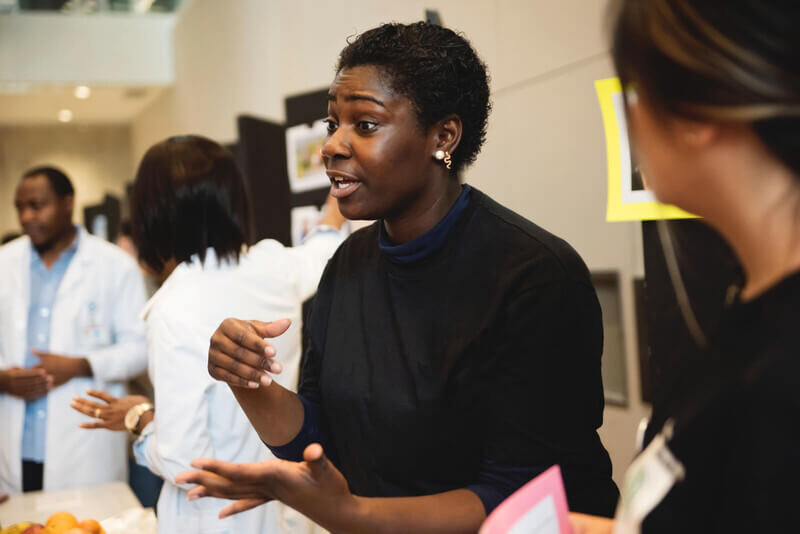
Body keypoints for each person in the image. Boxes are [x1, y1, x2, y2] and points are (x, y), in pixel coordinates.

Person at [177, 22, 619, 533]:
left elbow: (519, 494)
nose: (332, 146)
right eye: (332, 124)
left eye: (365, 125)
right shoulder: (348, 264)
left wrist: (353, 516)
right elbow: (317, 438)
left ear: (443, 136)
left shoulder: (533, 276)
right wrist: (246, 378)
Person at [568, 1, 800, 533]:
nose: (630, 121)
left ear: (697, 114)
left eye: (635, 93)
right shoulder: (747, 308)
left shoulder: (781, 382)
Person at [72, 135, 345, 533]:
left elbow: (185, 463)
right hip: (285, 511)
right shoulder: (273, 265)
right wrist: (339, 195)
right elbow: (323, 249)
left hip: (215, 518)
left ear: (152, 215)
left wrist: (140, 419)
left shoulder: (173, 306)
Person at [0, 166, 147, 493]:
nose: (26, 217)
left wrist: (81, 365)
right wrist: (4, 379)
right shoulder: (4, 262)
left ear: (68, 203)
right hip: (13, 446)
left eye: (37, 206)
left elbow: (140, 349)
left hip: (84, 449)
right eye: (20, 208)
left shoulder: (115, 266)